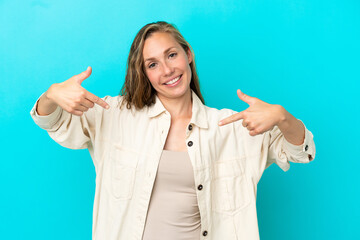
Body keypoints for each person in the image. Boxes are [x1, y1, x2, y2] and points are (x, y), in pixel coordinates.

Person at [30, 21, 316, 240]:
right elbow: (52, 121)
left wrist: (281, 116)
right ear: (144, 73)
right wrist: (51, 95)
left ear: (188, 54)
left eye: (172, 55)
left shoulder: (231, 127)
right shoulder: (114, 115)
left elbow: (300, 151)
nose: (167, 70)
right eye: (153, 64)